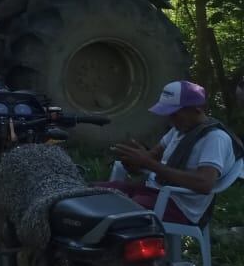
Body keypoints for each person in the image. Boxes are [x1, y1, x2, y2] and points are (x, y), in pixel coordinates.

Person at [99, 80, 243, 224]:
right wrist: (133, 161)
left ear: (197, 109)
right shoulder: (178, 130)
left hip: (179, 206)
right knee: (92, 193)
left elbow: (204, 184)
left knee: (112, 210)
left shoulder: (215, 138)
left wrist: (149, 163)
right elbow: (151, 158)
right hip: (153, 191)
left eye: (174, 114)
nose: (170, 119)